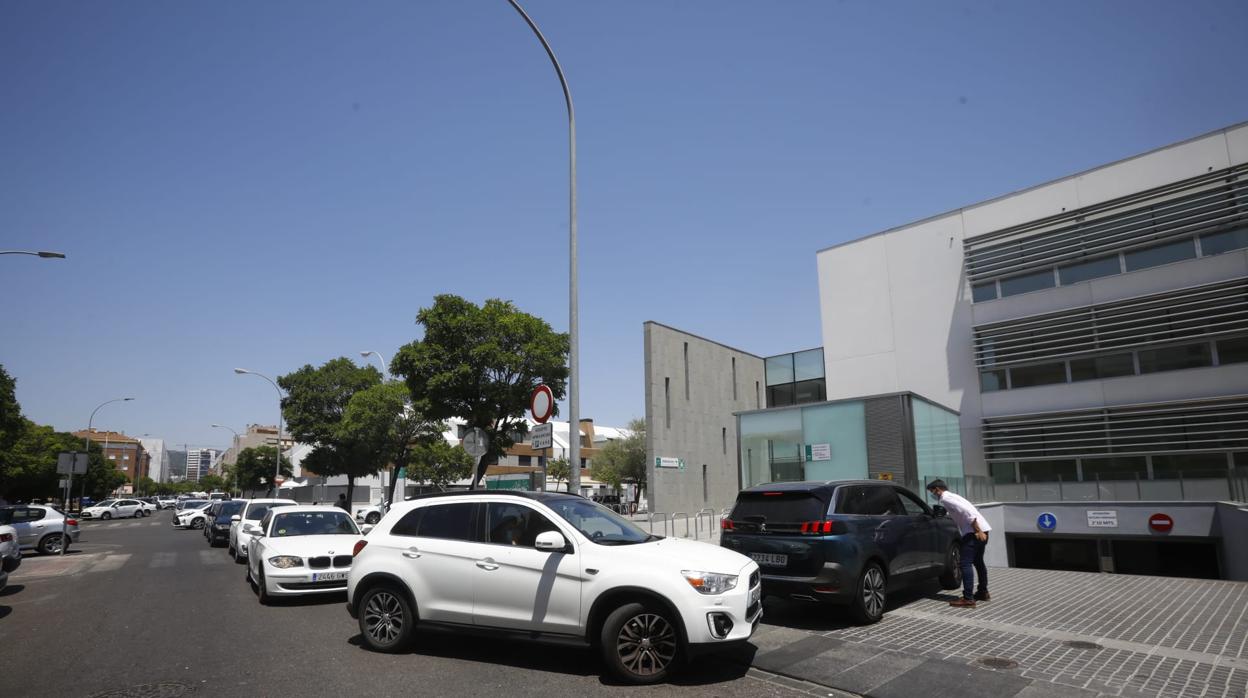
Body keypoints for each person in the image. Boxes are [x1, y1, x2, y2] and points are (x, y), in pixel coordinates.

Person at [926, 479, 991, 608]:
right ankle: (983, 592)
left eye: (932, 491)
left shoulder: (945, 498)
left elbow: (967, 512)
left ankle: (968, 599)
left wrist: (977, 530)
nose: (932, 494)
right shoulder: (954, 496)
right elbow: (961, 511)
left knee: (965, 563)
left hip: (974, 532)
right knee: (978, 562)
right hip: (983, 529)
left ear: (937, 489)